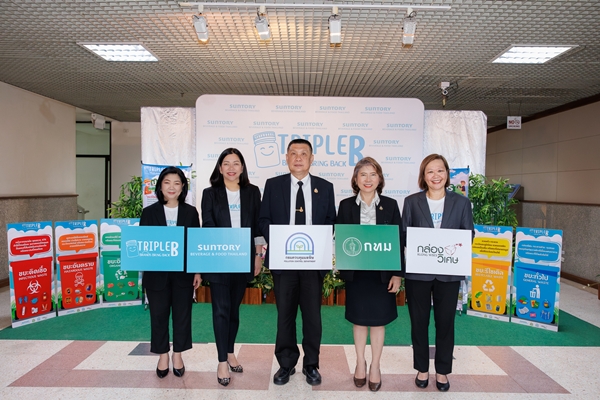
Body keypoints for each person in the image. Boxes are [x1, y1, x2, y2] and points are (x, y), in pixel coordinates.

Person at [258, 138, 336, 386]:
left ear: (311, 159)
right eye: (293, 153)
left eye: (304, 153)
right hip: (284, 262)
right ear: (287, 158)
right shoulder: (273, 185)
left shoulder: (325, 187)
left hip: (313, 262)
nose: (298, 158)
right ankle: (286, 363)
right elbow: (263, 219)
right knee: (285, 316)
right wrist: (280, 239)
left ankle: (311, 365)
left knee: (313, 317)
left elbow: (331, 221)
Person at [401, 154, 474, 392]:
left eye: (440, 170)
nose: (436, 176)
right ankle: (422, 368)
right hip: (418, 274)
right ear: (423, 176)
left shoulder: (461, 203)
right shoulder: (411, 202)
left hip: (448, 273)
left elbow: (469, 235)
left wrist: (448, 245)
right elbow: (404, 234)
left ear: (447, 174)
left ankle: (442, 371)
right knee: (418, 323)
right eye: (430, 171)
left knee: (445, 323)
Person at [336, 157, 402, 392]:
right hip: (357, 274)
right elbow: (340, 239)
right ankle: (360, 363)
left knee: (378, 321)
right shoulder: (345, 206)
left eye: (373, 174)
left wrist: (397, 274)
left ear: (379, 179)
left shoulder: (391, 205)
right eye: (363, 174)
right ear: (355, 179)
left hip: (381, 275)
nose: (368, 179)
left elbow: (398, 241)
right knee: (359, 320)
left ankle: (375, 366)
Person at [201, 148, 264, 387]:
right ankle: (221, 362)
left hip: (243, 259)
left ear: (242, 167)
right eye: (226, 163)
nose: (231, 168)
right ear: (219, 168)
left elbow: (258, 227)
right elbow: (207, 225)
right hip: (218, 258)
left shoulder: (252, 192)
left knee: (234, 311)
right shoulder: (210, 193)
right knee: (220, 310)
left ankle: (229, 352)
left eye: (236, 163)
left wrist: (258, 256)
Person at [140, 166, 201, 379]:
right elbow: (143, 245)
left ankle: (178, 355)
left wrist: (197, 272)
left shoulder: (190, 212)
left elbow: (195, 244)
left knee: (182, 316)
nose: (172, 187)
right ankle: (163, 355)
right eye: (167, 182)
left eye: (176, 183)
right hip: (156, 275)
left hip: (183, 274)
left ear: (183, 187)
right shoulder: (149, 212)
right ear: (160, 186)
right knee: (158, 315)